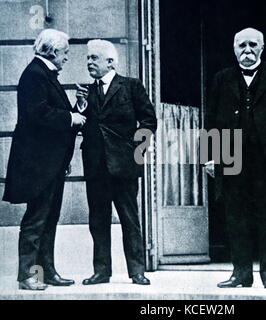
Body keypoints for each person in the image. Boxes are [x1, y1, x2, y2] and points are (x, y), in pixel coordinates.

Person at [207, 28, 266, 290]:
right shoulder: (221, 78)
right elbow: (211, 119)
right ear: (234, 48)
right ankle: (240, 274)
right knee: (236, 217)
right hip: (231, 156)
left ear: (262, 48)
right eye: (241, 46)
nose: (247, 51)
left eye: (252, 45)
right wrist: (210, 156)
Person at [2, 29, 86, 290]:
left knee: (48, 218)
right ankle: (28, 276)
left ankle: (44, 273)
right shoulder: (35, 75)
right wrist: (70, 118)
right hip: (38, 165)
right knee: (37, 219)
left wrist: (77, 108)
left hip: (49, 163)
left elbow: (51, 114)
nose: (67, 58)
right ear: (52, 51)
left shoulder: (42, 74)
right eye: (65, 53)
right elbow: (37, 114)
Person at [76, 39, 157, 286]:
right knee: (98, 221)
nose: (89, 62)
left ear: (110, 62)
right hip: (96, 167)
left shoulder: (131, 86)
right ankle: (102, 272)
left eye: (94, 58)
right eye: (88, 58)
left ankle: (137, 271)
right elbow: (79, 123)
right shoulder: (86, 92)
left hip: (124, 167)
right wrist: (80, 106)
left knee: (130, 220)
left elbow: (149, 121)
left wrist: (136, 152)